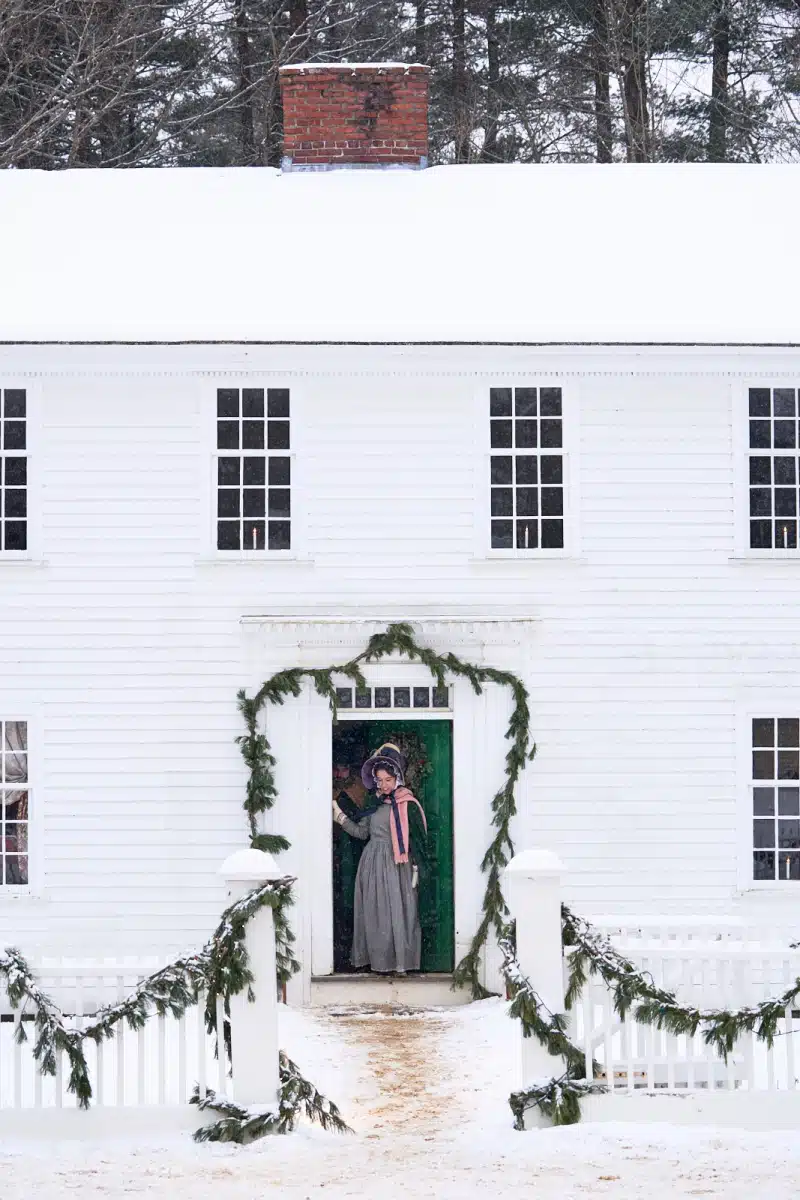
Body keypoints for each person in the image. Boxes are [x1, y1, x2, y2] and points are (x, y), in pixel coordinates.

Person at [332, 742, 427, 975]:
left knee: (400, 912)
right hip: (372, 865)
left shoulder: (409, 804)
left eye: (388, 779)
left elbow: (419, 842)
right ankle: (379, 962)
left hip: (398, 865)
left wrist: (418, 868)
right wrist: (341, 817)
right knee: (376, 915)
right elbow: (362, 832)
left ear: (398, 778)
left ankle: (401, 963)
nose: (384, 785)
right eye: (380, 780)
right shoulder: (373, 805)